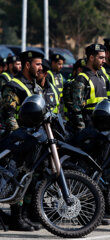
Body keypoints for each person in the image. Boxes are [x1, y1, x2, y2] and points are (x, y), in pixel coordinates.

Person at [0, 50, 44, 231]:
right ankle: (17, 218)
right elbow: (8, 114)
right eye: (37, 64)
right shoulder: (13, 86)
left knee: (32, 178)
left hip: (36, 139)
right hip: (19, 140)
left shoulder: (35, 86)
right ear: (27, 65)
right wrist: (19, 136)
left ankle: (26, 214)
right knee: (18, 177)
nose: (41, 68)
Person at [68, 44, 107, 131]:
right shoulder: (82, 79)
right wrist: (82, 132)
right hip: (90, 129)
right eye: (101, 58)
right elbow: (76, 109)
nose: (104, 61)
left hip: (103, 127)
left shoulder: (101, 78)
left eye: (104, 58)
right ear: (91, 58)